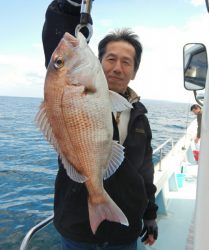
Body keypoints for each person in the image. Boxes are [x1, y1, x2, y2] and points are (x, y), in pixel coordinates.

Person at [42, 1, 158, 249]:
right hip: (77, 231)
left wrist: (150, 214)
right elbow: (57, 52)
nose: (117, 68)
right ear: (99, 60)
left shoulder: (140, 119)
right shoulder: (72, 87)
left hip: (124, 233)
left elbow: (146, 171)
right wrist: (70, 7)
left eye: (126, 62)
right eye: (111, 59)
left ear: (134, 72)